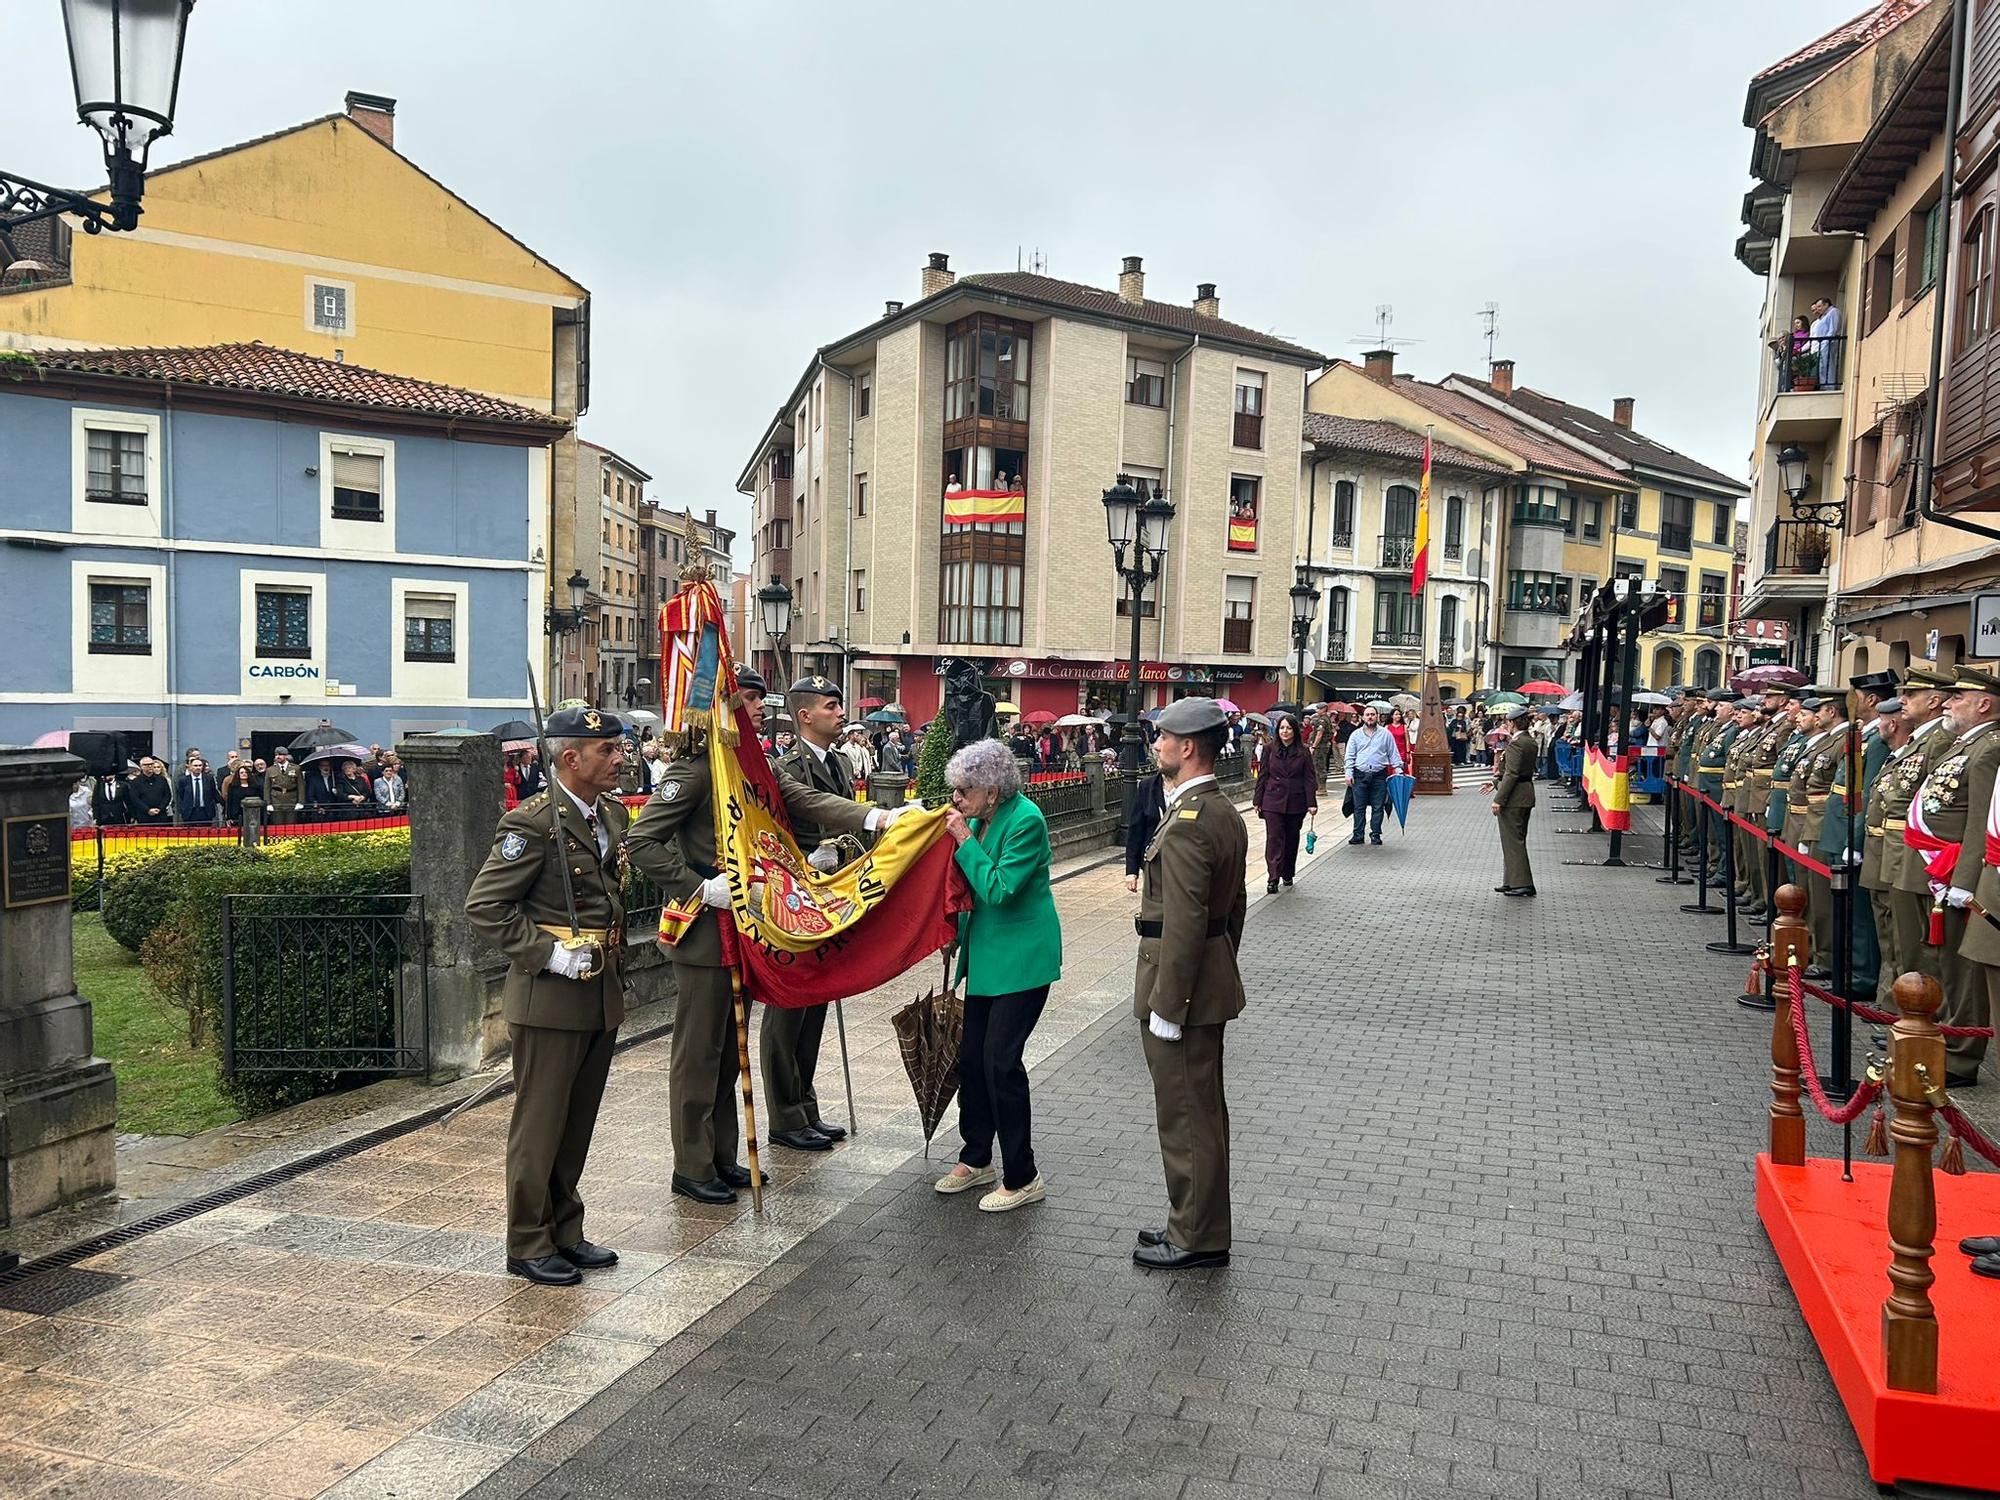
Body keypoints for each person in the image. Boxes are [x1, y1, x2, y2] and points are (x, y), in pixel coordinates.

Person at [625, 666, 911, 1204]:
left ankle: (720, 1155)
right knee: (698, 1053)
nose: (756, 707)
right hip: (705, 929)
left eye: (755, 699)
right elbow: (641, 841)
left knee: (728, 1048)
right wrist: (696, 885)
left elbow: (807, 801)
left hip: (749, 923)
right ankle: (691, 1163)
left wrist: (879, 819)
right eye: (746, 699)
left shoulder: (748, 766)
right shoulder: (694, 773)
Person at [465, 706, 632, 1287]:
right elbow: (485, 906)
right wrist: (547, 953)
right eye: (607, 751)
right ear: (570, 758)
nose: (619, 758)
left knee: (577, 1121)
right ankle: (527, 1241)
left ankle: (565, 1228)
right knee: (541, 1124)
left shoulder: (609, 814)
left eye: (618, 748)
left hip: (599, 988)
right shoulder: (533, 823)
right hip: (551, 995)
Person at [1130, 696, 1247, 1271]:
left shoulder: (1190, 824)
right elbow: (1234, 910)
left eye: (1163, 737)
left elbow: (1184, 922)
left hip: (1182, 987)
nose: (1156, 745)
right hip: (1207, 978)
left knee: (1185, 1113)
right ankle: (1194, 1222)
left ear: (1188, 747)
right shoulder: (1219, 811)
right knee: (1201, 1108)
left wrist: (1169, 1003)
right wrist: (1221, 964)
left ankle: (1196, 1237)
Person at [933, 738, 1061, 1212]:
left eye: (964, 791)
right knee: (972, 1058)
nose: (957, 801)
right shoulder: (979, 818)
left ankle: (1023, 1174)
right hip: (987, 957)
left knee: (1001, 1062)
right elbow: (962, 889)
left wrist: (965, 842)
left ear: (991, 789)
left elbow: (1000, 889)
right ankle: (976, 1155)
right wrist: (951, 931)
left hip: (1024, 960)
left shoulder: (1026, 819)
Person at [763, 675, 869, 1151]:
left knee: (816, 1006)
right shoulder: (788, 765)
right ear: (805, 715)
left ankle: (805, 1106)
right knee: (789, 1010)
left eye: (839, 705)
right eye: (830, 706)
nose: (839, 712)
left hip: (835, 895)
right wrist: (806, 858)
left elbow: (845, 814)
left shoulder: (841, 762)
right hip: (798, 899)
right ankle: (785, 1115)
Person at [1252, 712, 1316, 893]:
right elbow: (1263, 775)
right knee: (1274, 839)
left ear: (1294, 730)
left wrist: (1311, 802)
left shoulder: (1303, 752)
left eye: (1288, 728)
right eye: (1282, 728)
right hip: (1272, 800)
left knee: (1291, 838)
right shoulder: (1269, 749)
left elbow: (1309, 778)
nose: (1285, 731)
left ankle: (1287, 872)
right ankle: (1273, 876)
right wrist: (1258, 800)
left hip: (1296, 801)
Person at [1488, 704, 1539, 896]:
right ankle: (1511, 880)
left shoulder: (1517, 743)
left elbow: (1512, 773)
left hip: (1515, 797)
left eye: (1508, 722)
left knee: (1513, 841)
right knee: (1514, 840)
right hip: (1524, 794)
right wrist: (1494, 782)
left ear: (1512, 723)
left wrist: (1498, 799)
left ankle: (1522, 883)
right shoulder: (1529, 741)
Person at [1343, 704, 1402, 846]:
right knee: (1359, 806)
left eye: (1373, 714)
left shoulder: (1385, 734)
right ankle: (1358, 835)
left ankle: (1375, 834)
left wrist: (1398, 770)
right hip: (1360, 775)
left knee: (1378, 806)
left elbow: (1393, 753)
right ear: (1363, 717)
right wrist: (1348, 773)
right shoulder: (1355, 735)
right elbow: (1350, 755)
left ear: (1377, 717)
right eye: (1367, 714)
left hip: (1378, 775)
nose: (1370, 717)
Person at [1123, 770, 1166, 894]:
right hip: (1153, 861)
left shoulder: (1190, 787)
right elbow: (1136, 830)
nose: (1158, 750)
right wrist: (1131, 871)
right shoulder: (1147, 786)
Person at [1808, 295, 1843, 385]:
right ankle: (1824, 384)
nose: (1818, 309)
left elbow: (1833, 329)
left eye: (1819, 306)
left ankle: (1829, 385)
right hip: (1823, 344)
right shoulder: (1824, 316)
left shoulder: (1833, 312)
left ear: (1826, 304)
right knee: (1822, 366)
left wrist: (1825, 342)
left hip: (1828, 343)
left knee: (1828, 365)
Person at [175, 756, 219, 827]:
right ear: (190, 767)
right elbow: (181, 795)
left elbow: (213, 793)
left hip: (205, 811)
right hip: (190, 812)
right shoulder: (183, 780)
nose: (198, 767)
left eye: (200, 766)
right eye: (195, 766)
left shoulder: (209, 779)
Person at [129, 757, 173, 825]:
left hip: (161, 815)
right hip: (144, 816)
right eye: (146, 765)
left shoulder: (162, 780)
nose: (150, 766)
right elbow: (135, 799)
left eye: (151, 764)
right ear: (141, 767)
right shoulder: (136, 782)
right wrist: (147, 810)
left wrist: (160, 808)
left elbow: (167, 795)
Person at [264, 748, 300, 823]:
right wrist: (268, 803)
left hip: (291, 799)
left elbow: (301, 786)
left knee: (291, 824)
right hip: (276, 800)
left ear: (286, 756)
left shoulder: (296, 768)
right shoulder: (270, 770)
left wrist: (300, 801)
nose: (278, 757)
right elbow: (267, 788)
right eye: (276, 755)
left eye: (280, 754)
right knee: (278, 825)